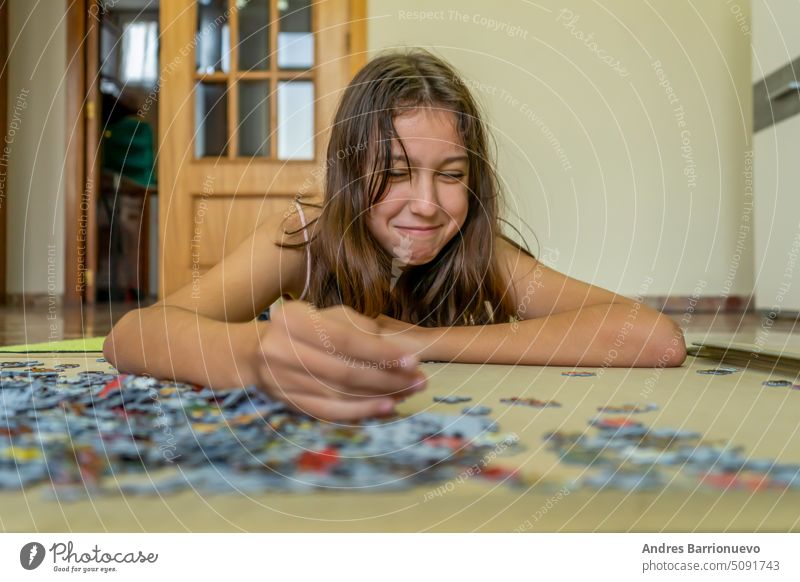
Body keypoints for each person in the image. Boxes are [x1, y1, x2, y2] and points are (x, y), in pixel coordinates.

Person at [104, 49, 685, 421]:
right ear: (350, 172)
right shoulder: (308, 236)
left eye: (452, 175)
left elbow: (654, 340)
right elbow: (132, 334)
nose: (427, 206)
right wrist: (258, 357)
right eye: (397, 172)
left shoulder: (478, 250)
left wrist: (407, 338)